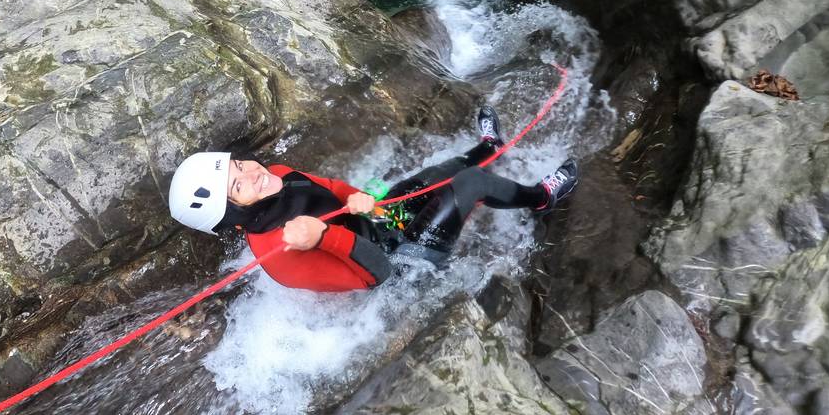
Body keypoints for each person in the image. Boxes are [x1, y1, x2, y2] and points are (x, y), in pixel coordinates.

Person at [167, 107, 579, 292]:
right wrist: (324, 238)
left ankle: (489, 148)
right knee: (469, 184)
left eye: (239, 166)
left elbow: (332, 186)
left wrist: (361, 197)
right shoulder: (280, 253)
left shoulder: (273, 174)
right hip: (400, 261)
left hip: (379, 222)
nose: (252, 173)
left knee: (437, 175)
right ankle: (541, 198)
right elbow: (377, 276)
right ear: (235, 214)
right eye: (238, 186)